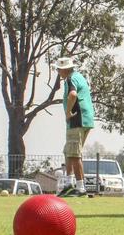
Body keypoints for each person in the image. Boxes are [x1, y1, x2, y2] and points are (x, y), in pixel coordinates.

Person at [54, 56, 95, 197]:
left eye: (59, 69)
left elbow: (72, 95)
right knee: (68, 152)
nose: (58, 72)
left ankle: (80, 187)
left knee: (75, 154)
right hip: (84, 118)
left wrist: (68, 112)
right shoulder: (79, 76)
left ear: (64, 69)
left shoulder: (70, 79)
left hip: (77, 119)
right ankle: (69, 183)